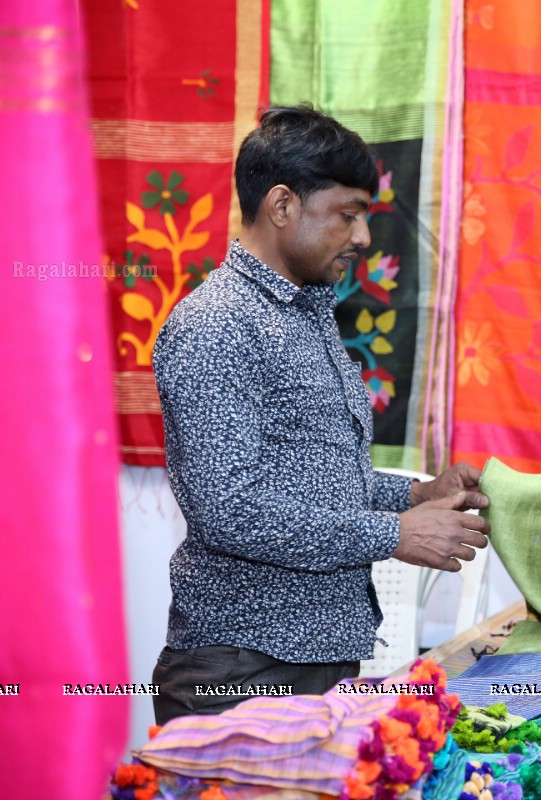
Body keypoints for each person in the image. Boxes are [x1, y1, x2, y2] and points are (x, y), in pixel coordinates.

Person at [151, 106, 491, 724]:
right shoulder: (216, 325)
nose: (362, 237)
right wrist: (395, 535)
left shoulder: (306, 312)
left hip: (311, 661)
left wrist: (416, 495)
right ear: (283, 206)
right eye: (348, 214)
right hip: (242, 670)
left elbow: (318, 482)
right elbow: (228, 510)